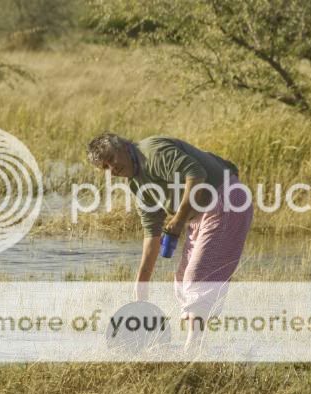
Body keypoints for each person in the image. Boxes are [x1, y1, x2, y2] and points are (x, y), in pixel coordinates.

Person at [86, 133, 253, 351]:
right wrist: (142, 282)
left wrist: (178, 219)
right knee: (182, 282)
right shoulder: (137, 185)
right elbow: (151, 233)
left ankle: (193, 349)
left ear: (125, 147)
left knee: (198, 278)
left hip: (227, 200)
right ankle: (198, 344)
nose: (113, 168)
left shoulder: (153, 153)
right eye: (106, 167)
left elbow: (196, 174)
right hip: (200, 214)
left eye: (112, 159)